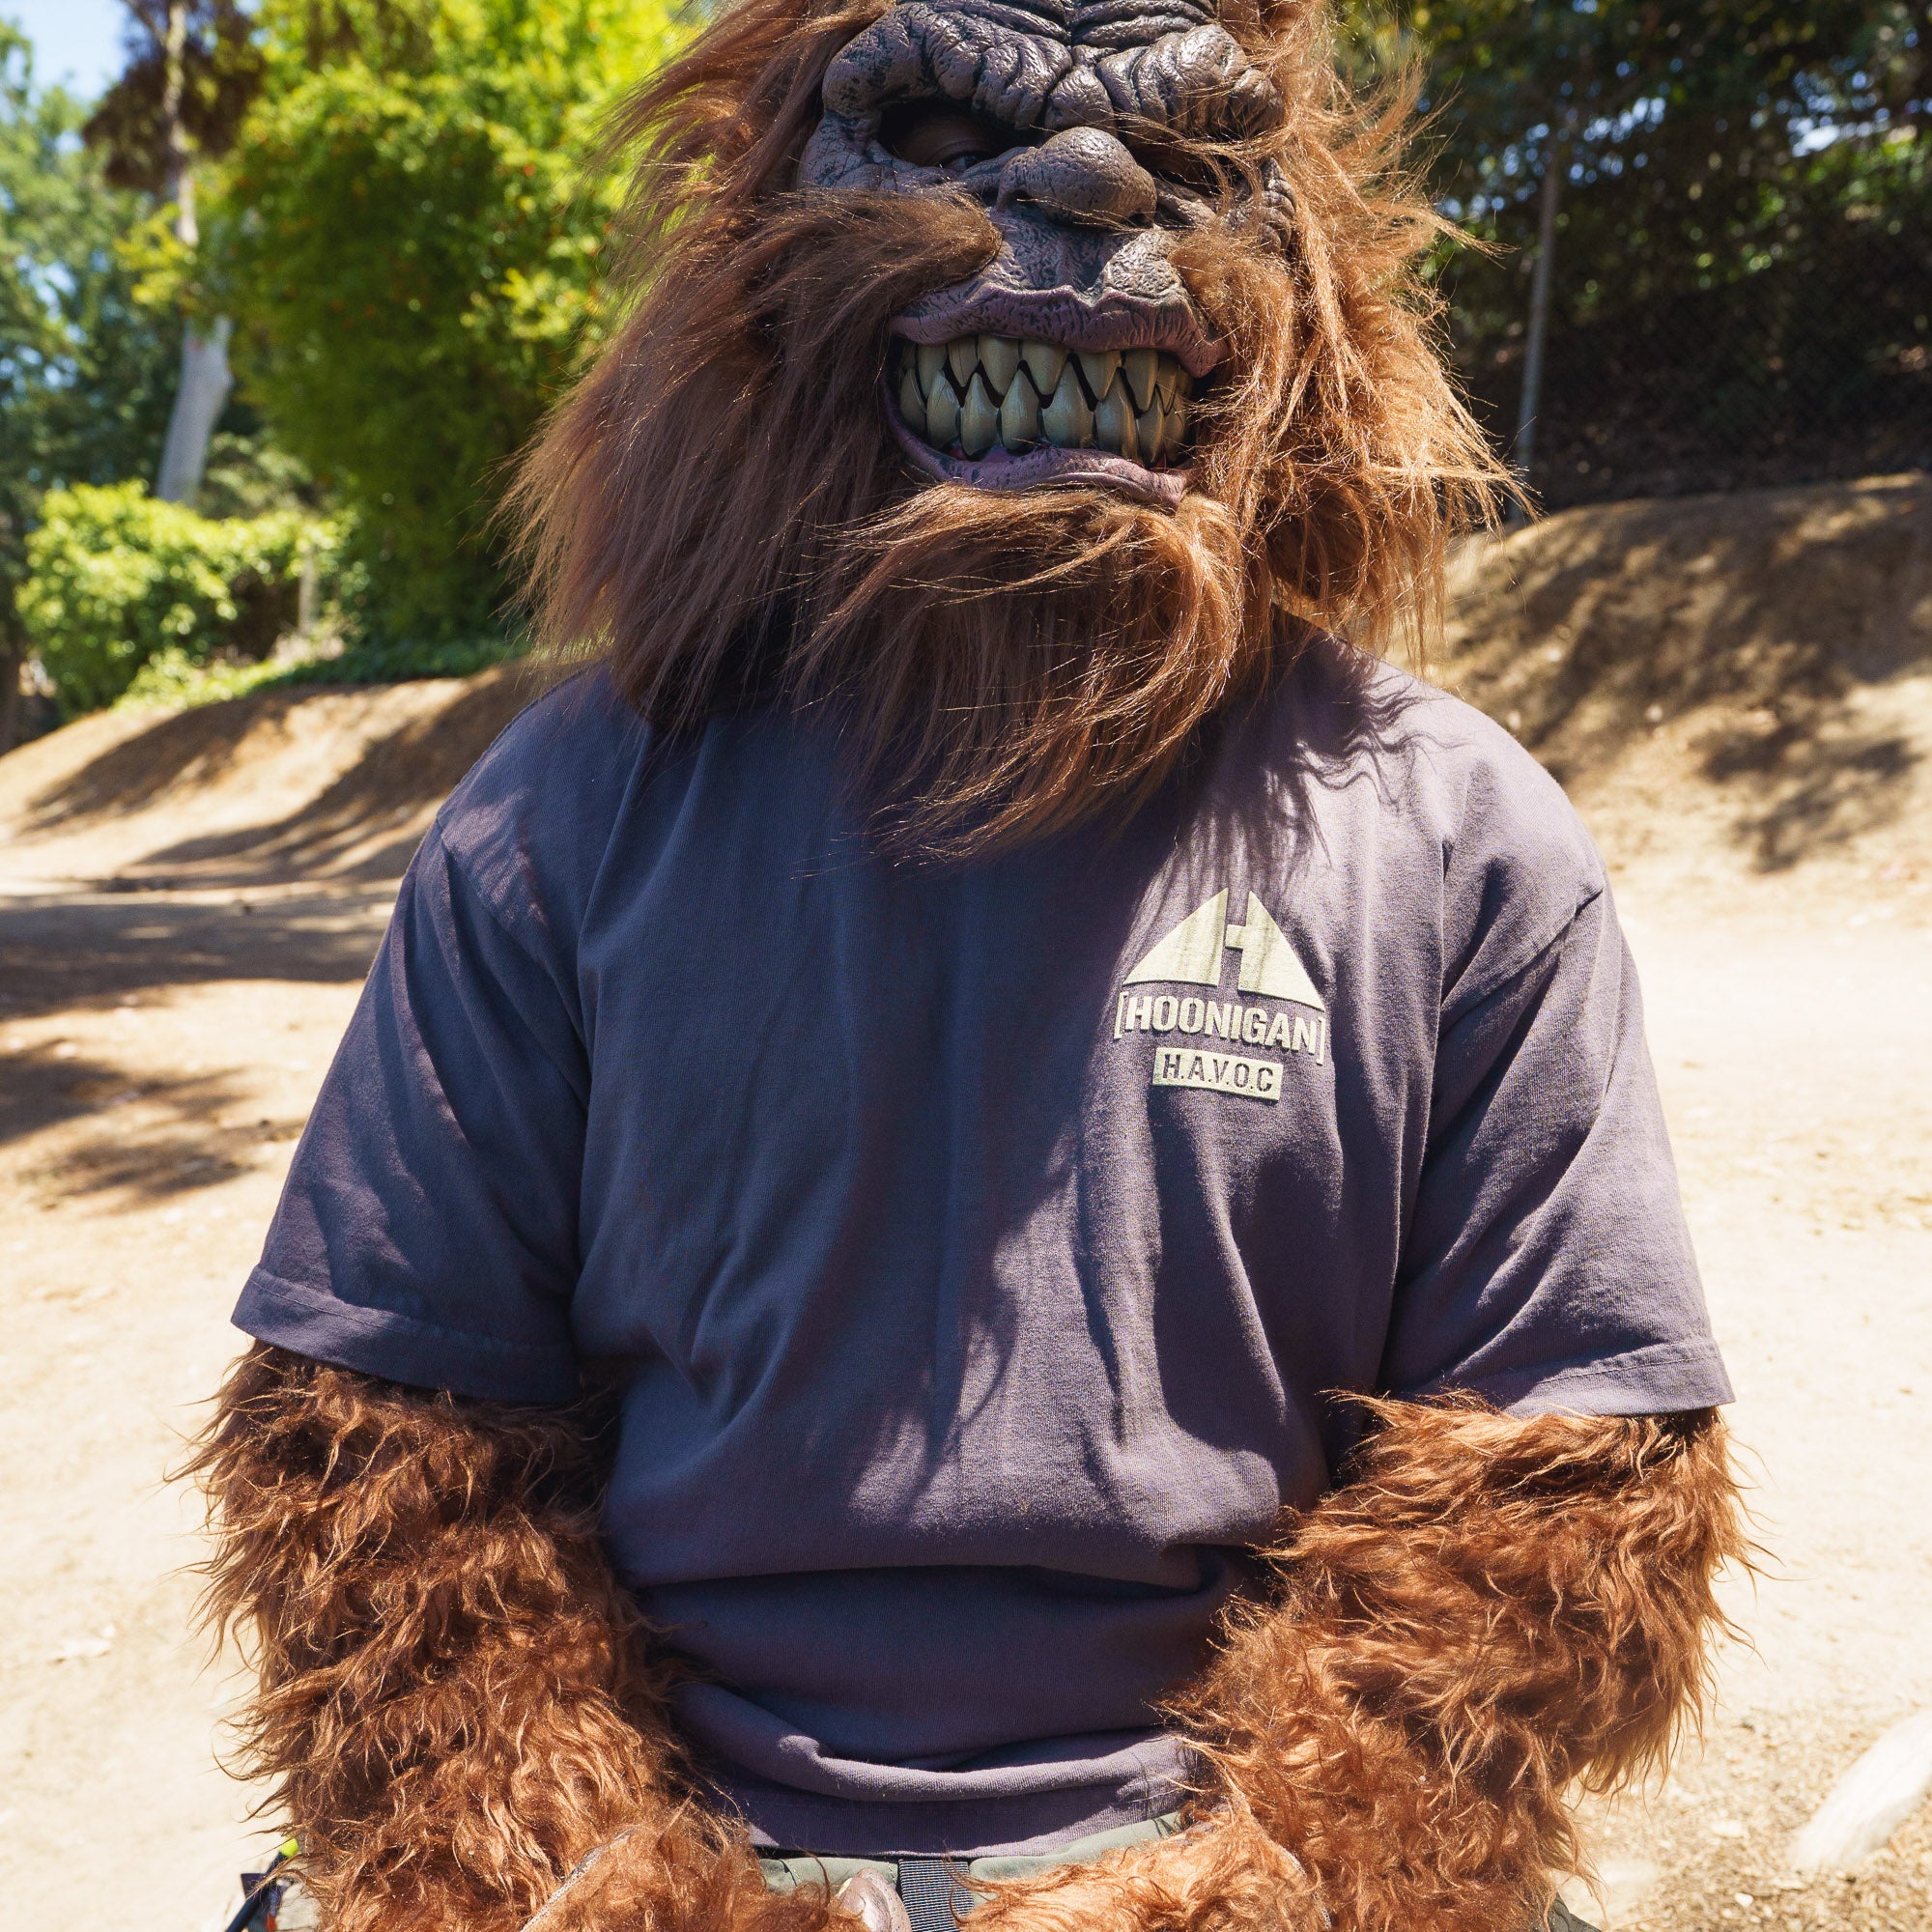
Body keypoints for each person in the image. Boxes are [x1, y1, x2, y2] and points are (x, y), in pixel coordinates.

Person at [189, 0, 1747, 1927]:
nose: (1089, 189)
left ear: (1323, 289)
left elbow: (1571, 1469)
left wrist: (1286, 1881)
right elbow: (381, 1437)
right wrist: (580, 1868)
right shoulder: (575, 811)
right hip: (662, 1825)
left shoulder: (1459, 835)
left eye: (1191, 156)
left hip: (1226, 1838)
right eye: (930, 122)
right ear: (746, 250)